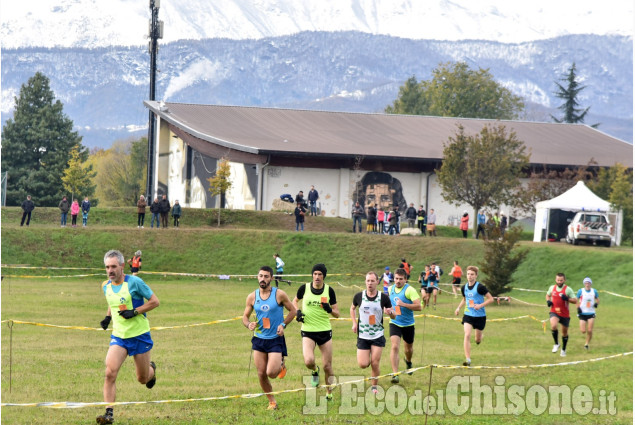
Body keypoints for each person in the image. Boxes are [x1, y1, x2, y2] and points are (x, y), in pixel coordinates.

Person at [96, 250, 159, 424]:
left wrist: (135, 312)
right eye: (107, 267)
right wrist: (108, 317)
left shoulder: (135, 282)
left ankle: (152, 372)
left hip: (139, 336)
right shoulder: (105, 286)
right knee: (110, 372)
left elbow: (155, 301)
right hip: (119, 337)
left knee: (142, 379)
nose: (110, 270)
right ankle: (109, 413)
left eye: (114, 266)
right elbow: (112, 301)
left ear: (122, 266)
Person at [242, 265, 296, 410]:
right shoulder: (252, 296)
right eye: (260, 276)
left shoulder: (279, 294)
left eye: (266, 276)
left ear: (271, 278)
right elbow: (245, 317)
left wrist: (283, 325)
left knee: (271, 373)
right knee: (261, 373)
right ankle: (272, 401)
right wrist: (248, 325)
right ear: (257, 277)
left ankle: (280, 364)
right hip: (259, 339)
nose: (263, 279)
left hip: (275, 339)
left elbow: (293, 311)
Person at [293, 264, 340, 401]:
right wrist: (298, 312)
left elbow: (337, 314)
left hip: (325, 331)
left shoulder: (329, 291)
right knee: (308, 361)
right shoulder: (304, 288)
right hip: (308, 330)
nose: (317, 277)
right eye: (315, 274)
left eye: (320, 274)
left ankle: (329, 393)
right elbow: (294, 302)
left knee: (327, 365)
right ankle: (314, 370)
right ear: (312, 275)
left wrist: (329, 309)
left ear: (324, 276)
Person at [350, 271, 394, 394]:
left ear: (377, 282)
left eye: (372, 281)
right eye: (368, 281)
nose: (370, 283)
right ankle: (366, 356)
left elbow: (394, 316)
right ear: (365, 282)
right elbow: (352, 308)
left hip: (377, 334)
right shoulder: (359, 296)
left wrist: (390, 313)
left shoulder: (384, 298)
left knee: (375, 363)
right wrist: (354, 323)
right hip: (363, 335)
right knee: (363, 364)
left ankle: (374, 387)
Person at [454, 266, 494, 366]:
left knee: (477, 340)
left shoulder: (480, 287)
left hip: (480, 316)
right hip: (468, 314)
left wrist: (480, 305)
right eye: (468, 274)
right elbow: (464, 299)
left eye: (472, 274)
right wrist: (458, 308)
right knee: (467, 334)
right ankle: (468, 359)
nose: (470, 276)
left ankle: (480, 337)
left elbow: (491, 299)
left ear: (476, 276)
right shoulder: (464, 288)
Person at [387, 268, 421, 383]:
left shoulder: (410, 290)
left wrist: (404, 304)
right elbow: (388, 303)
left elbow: (419, 307)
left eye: (400, 279)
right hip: (395, 322)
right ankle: (395, 374)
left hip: (408, 324)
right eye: (396, 278)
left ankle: (408, 361)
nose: (398, 281)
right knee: (395, 346)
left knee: (408, 349)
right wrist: (387, 310)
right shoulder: (390, 288)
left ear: (405, 279)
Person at [546, 272, 577, 357]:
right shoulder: (552, 288)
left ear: (564, 280)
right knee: (553, 326)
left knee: (564, 333)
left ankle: (563, 349)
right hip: (554, 311)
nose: (559, 282)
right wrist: (548, 301)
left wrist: (567, 298)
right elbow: (548, 295)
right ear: (555, 280)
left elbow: (575, 300)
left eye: (561, 280)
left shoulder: (568, 289)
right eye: (558, 280)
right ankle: (556, 344)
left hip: (564, 314)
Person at [577, 277, 599, 350]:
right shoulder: (580, 291)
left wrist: (596, 304)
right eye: (586, 283)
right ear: (584, 284)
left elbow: (597, 299)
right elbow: (576, 300)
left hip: (591, 312)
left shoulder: (594, 291)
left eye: (588, 283)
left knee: (589, 330)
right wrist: (578, 308)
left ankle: (586, 344)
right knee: (583, 331)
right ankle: (585, 329)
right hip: (582, 313)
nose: (587, 284)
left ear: (590, 284)